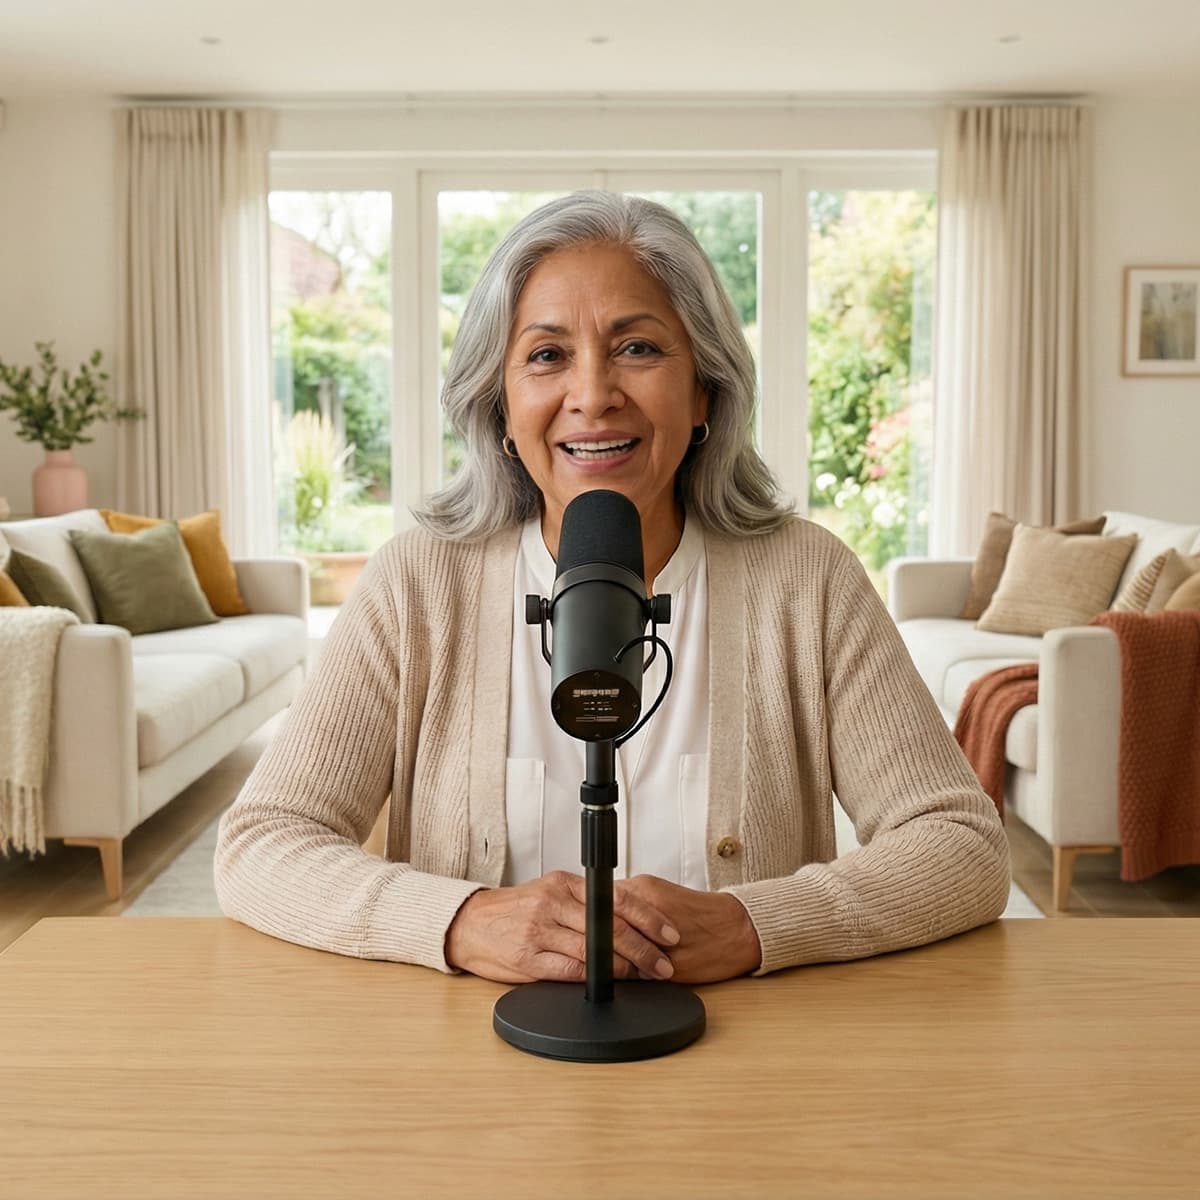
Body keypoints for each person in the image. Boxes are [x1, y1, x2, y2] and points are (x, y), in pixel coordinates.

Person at [215, 191, 1010, 984]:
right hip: (470, 1074)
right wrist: (461, 921)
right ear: (500, 404)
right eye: (547, 355)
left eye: (637, 349)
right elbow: (263, 844)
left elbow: (960, 845)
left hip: (752, 1070)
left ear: (704, 389)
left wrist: (755, 925)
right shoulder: (417, 584)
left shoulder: (808, 579)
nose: (593, 395)